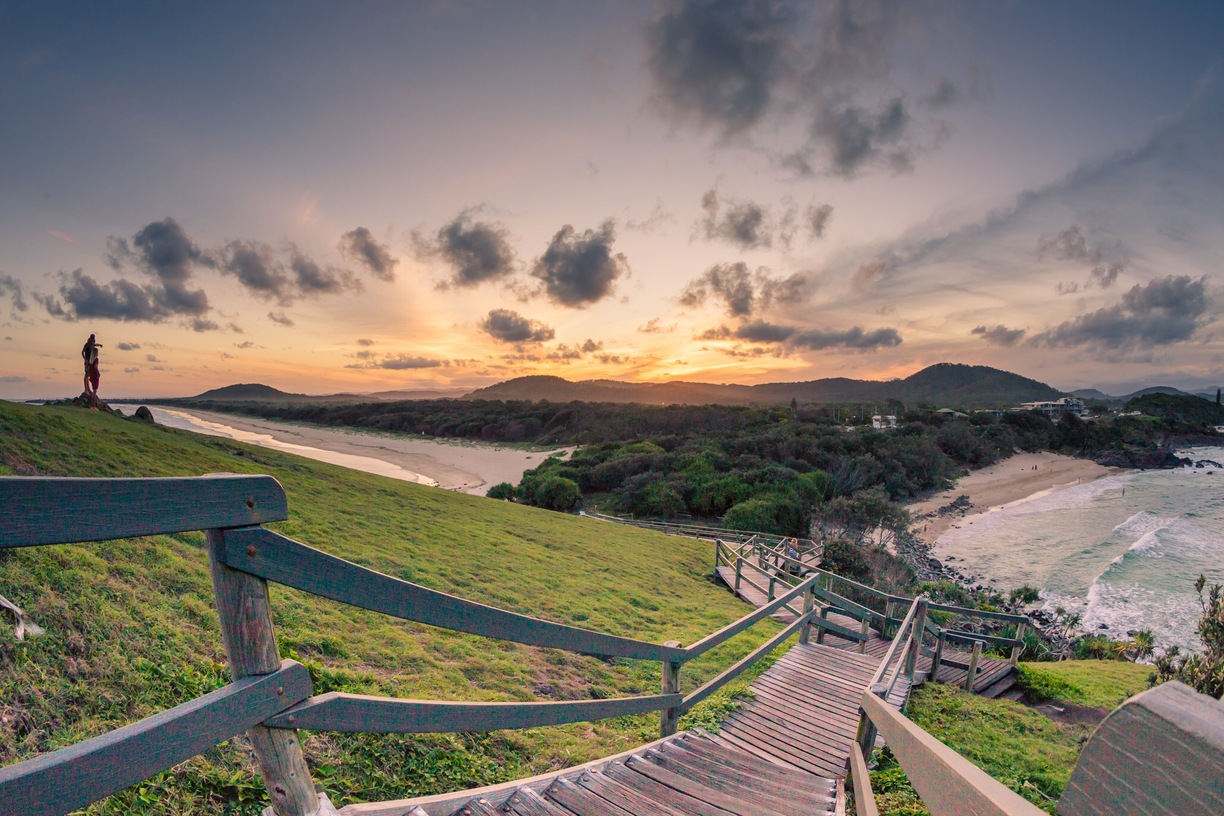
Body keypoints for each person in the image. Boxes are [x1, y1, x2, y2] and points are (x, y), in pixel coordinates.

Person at [81, 334, 101, 409]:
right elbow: (82, 352)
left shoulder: (92, 345)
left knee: (88, 374)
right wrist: (85, 359)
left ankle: (88, 389)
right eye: (92, 339)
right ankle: (86, 389)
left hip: (90, 362)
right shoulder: (87, 344)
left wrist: (99, 345)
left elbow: (95, 345)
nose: (93, 340)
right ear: (90, 338)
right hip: (87, 362)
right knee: (86, 374)